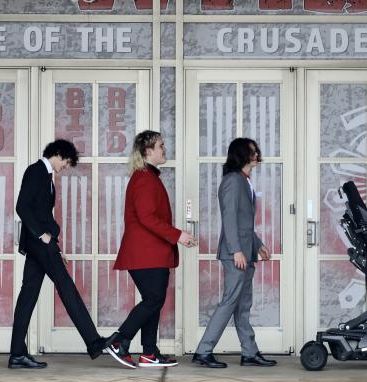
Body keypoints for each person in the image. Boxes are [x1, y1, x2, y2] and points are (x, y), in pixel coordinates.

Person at [9, 139, 108, 368]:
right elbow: (22, 207)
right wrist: (42, 235)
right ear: (58, 154)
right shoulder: (36, 171)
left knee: (28, 296)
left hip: (42, 245)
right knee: (67, 288)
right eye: (66, 162)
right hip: (40, 244)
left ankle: (16, 354)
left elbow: (41, 211)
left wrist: (55, 244)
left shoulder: (45, 175)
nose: (66, 167)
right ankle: (93, 342)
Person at [105, 130, 196, 369]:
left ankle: (149, 353)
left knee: (152, 301)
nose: (165, 149)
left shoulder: (147, 177)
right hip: (147, 254)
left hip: (149, 253)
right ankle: (120, 341)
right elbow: (146, 217)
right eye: (161, 146)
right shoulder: (145, 179)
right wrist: (178, 235)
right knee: (154, 300)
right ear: (148, 151)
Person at [192, 138, 276, 369]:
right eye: (252, 151)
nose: (257, 153)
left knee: (243, 305)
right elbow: (228, 218)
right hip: (235, 254)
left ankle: (249, 353)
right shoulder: (232, 181)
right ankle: (203, 351)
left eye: (257, 150)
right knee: (230, 302)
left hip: (246, 252)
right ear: (241, 154)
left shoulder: (245, 181)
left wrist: (257, 244)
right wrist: (236, 250)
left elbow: (244, 223)